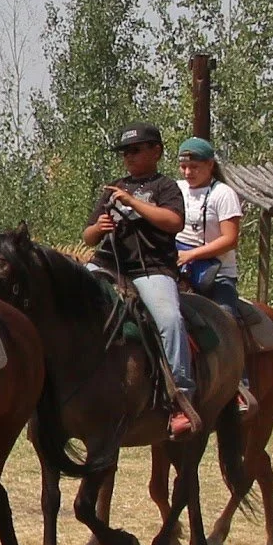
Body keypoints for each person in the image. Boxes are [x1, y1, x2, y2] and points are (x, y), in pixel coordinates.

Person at [83, 122, 193, 437]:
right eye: (124, 152)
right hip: (108, 264)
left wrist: (133, 203)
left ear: (156, 151)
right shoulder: (112, 188)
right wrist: (99, 227)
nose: (128, 157)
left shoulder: (165, 187)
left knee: (169, 319)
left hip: (152, 269)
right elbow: (88, 237)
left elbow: (173, 222)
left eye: (134, 150)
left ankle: (181, 398)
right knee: (70, 303)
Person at [174, 136, 252, 412]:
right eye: (183, 167)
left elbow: (230, 239)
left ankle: (239, 386)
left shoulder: (223, 194)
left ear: (209, 165)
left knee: (226, 317)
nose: (187, 173)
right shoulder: (176, 190)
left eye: (194, 167)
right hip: (178, 269)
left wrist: (193, 254)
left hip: (216, 273)